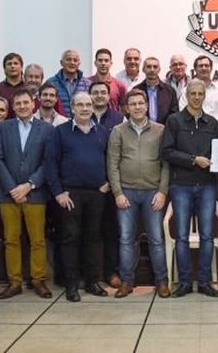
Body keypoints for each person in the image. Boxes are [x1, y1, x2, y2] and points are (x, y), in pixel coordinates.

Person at [44, 92, 111, 302]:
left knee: (93, 238)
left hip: (97, 194)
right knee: (70, 239)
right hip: (69, 195)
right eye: (80, 105)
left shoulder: (102, 132)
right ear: (72, 108)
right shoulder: (60, 132)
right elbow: (50, 164)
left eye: (88, 104)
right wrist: (58, 192)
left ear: (93, 107)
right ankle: (71, 285)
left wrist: (108, 182)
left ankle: (91, 282)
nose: (84, 108)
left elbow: (111, 159)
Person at [161, 79, 218, 298]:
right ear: (186, 96)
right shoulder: (174, 121)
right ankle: (185, 282)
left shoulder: (212, 123)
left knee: (207, 235)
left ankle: (205, 282)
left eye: (200, 94)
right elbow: (166, 152)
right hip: (181, 185)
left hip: (207, 185)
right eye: (193, 94)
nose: (197, 97)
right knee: (181, 236)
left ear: (205, 96)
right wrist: (193, 160)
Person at [107, 89, 170, 298]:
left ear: (147, 105)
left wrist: (162, 192)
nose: (137, 107)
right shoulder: (118, 131)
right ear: (126, 108)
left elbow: (166, 164)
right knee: (126, 239)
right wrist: (117, 192)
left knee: (156, 239)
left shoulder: (160, 130)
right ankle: (127, 282)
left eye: (140, 103)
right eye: (132, 104)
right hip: (127, 192)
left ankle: (162, 282)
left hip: (153, 192)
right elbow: (112, 164)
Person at [0, 89, 53, 300]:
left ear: (33, 104)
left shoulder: (46, 129)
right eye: (18, 103)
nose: (22, 106)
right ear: (13, 107)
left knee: (38, 240)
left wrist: (29, 185)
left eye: (26, 102)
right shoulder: (4, 128)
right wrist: (13, 188)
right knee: (11, 239)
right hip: (7, 195)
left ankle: (38, 279)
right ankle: (15, 282)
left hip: (35, 194)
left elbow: (48, 161)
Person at [88, 81, 123, 288]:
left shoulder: (119, 119)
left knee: (111, 232)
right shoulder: (83, 116)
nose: (99, 95)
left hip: (111, 186)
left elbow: (122, 154)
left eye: (103, 92)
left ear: (109, 96)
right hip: (89, 186)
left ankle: (112, 272)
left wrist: (111, 182)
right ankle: (89, 274)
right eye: (95, 92)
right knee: (89, 232)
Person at [178, 55, 218, 122]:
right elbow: (183, 110)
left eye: (207, 65)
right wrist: (200, 122)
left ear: (211, 68)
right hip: (193, 126)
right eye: (201, 66)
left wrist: (213, 122)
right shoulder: (186, 90)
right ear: (195, 69)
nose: (204, 68)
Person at [134, 56, 178, 124]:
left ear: (159, 69)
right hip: (142, 128)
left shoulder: (170, 91)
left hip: (164, 128)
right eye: (149, 67)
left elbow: (174, 114)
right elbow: (132, 111)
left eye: (155, 67)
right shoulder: (136, 90)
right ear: (143, 69)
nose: (152, 70)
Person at [47, 49, 91, 116]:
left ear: (79, 64)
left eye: (75, 60)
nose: (72, 63)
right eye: (68, 59)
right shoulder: (51, 83)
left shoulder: (87, 84)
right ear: (61, 63)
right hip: (58, 121)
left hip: (81, 121)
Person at [0, 52, 26, 117]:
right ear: (4, 68)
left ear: (21, 67)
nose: (12, 66)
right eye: (9, 64)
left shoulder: (28, 88)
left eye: (16, 63)